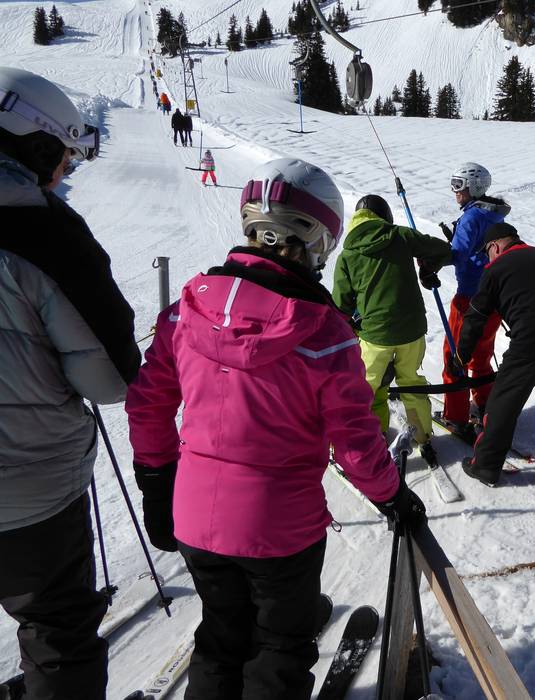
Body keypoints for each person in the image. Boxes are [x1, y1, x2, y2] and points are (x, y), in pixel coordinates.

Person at [124, 158, 424, 699]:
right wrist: (392, 495)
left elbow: (147, 404)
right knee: (279, 650)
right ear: (316, 241)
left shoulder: (187, 308)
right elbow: (355, 441)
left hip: (194, 515)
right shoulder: (324, 332)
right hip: (279, 529)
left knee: (220, 638)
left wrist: (156, 483)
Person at [0, 66, 141, 699]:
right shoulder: (44, 232)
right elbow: (111, 378)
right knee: (58, 633)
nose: (62, 176)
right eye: (61, 159)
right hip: (28, 493)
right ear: (32, 146)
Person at [458, 223, 535, 491]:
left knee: (504, 402)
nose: (487, 259)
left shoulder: (495, 269)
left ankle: (486, 466)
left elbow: (475, 317)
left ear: (494, 247)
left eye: (486, 253)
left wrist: (461, 354)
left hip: (532, 339)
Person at [332, 194, 451, 465]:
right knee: (412, 382)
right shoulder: (401, 236)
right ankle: (423, 435)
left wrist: (349, 328)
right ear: (385, 216)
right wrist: (427, 266)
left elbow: (341, 304)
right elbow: (442, 250)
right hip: (412, 330)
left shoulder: (348, 254)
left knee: (367, 388)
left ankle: (368, 438)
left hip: (375, 335)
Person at [436, 162, 511, 442]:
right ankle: (486, 407)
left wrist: (431, 258)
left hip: (469, 299)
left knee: (455, 357)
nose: (455, 191)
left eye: (459, 185)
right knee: (481, 356)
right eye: (453, 184)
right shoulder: (494, 215)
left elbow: (456, 255)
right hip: (494, 299)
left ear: (475, 187)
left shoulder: (471, 218)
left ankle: (456, 417)